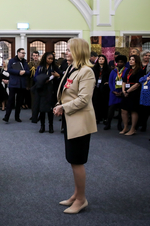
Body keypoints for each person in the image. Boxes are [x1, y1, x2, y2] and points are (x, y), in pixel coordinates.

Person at [53, 38, 96, 214]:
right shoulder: (71, 68)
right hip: (71, 120)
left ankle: (81, 199)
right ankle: (76, 194)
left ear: (78, 52)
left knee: (77, 161)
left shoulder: (87, 71)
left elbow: (84, 99)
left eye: (69, 50)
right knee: (72, 160)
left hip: (80, 121)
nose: (66, 53)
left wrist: (64, 107)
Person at [32, 52, 61, 133]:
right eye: (49, 58)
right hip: (41, 90)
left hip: (51, 91)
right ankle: (42, 126)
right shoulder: (40, 67)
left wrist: (56, 76)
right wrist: (43, 79)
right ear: (45, 58)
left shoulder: (54, 67)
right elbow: (35, 78)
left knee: (50, 109)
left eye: (52, 59)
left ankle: (51, 126)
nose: (50, 60)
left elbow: (60, 77)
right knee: (41, 109)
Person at [2, 48, 30, 123]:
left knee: (19, 102)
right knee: (10, 101)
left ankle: (17, 117)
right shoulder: (12, 61)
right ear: (18, 53)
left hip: (22, 85)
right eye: (22, 53)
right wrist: (19, 72)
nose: (23, 54)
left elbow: (28, 72)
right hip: (13, 84)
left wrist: (24, 72)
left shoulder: (25, 62)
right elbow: (9, 70)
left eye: (24, 53)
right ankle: (6, 117)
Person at [120, 55, 145, 135]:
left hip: (134, 92)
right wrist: (124, 90)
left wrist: (128, 91)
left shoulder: (140, 71)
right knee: (123, 110)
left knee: (133, 110)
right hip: (126, 91)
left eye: (133, 60)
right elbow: (123, 81)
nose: (130, 61)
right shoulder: (128, 70)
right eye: (130, 59)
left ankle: (133, 128)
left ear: (136, 61)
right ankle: (125, 127)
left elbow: (138, 84)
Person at [104, 55, 127, 131]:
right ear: (116, 63)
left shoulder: (126, 71)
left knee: (121, 110)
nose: (120, 63)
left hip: (122, 92)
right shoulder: (113, 71)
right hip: (113, 93)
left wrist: (122, 92)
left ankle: (119, 124)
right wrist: (113, 90)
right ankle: (108, 123)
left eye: (122, 62)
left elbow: (126, 82)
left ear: (124, 63)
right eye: (118, 62)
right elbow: (110, 82)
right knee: (111, 109)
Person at [137, 49, 150, 132]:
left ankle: (144, 124)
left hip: (146, 86)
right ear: (142, 56)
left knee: (145, 107)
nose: (147, 57)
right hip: (137, 85)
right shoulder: (138, 64)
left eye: (149, 55)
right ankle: (138, 122)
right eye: (146, 55)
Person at [92, 55, 111, 124]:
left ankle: (105, 117)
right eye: (100, 59)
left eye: (102, 59)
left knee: (104, 103)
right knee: (96, 102)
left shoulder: (108, 69)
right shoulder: (94, 68)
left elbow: (110, 78)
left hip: (104, 88)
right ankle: (97, 118)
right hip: (96, 87)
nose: (101, 60)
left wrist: (108, 82)